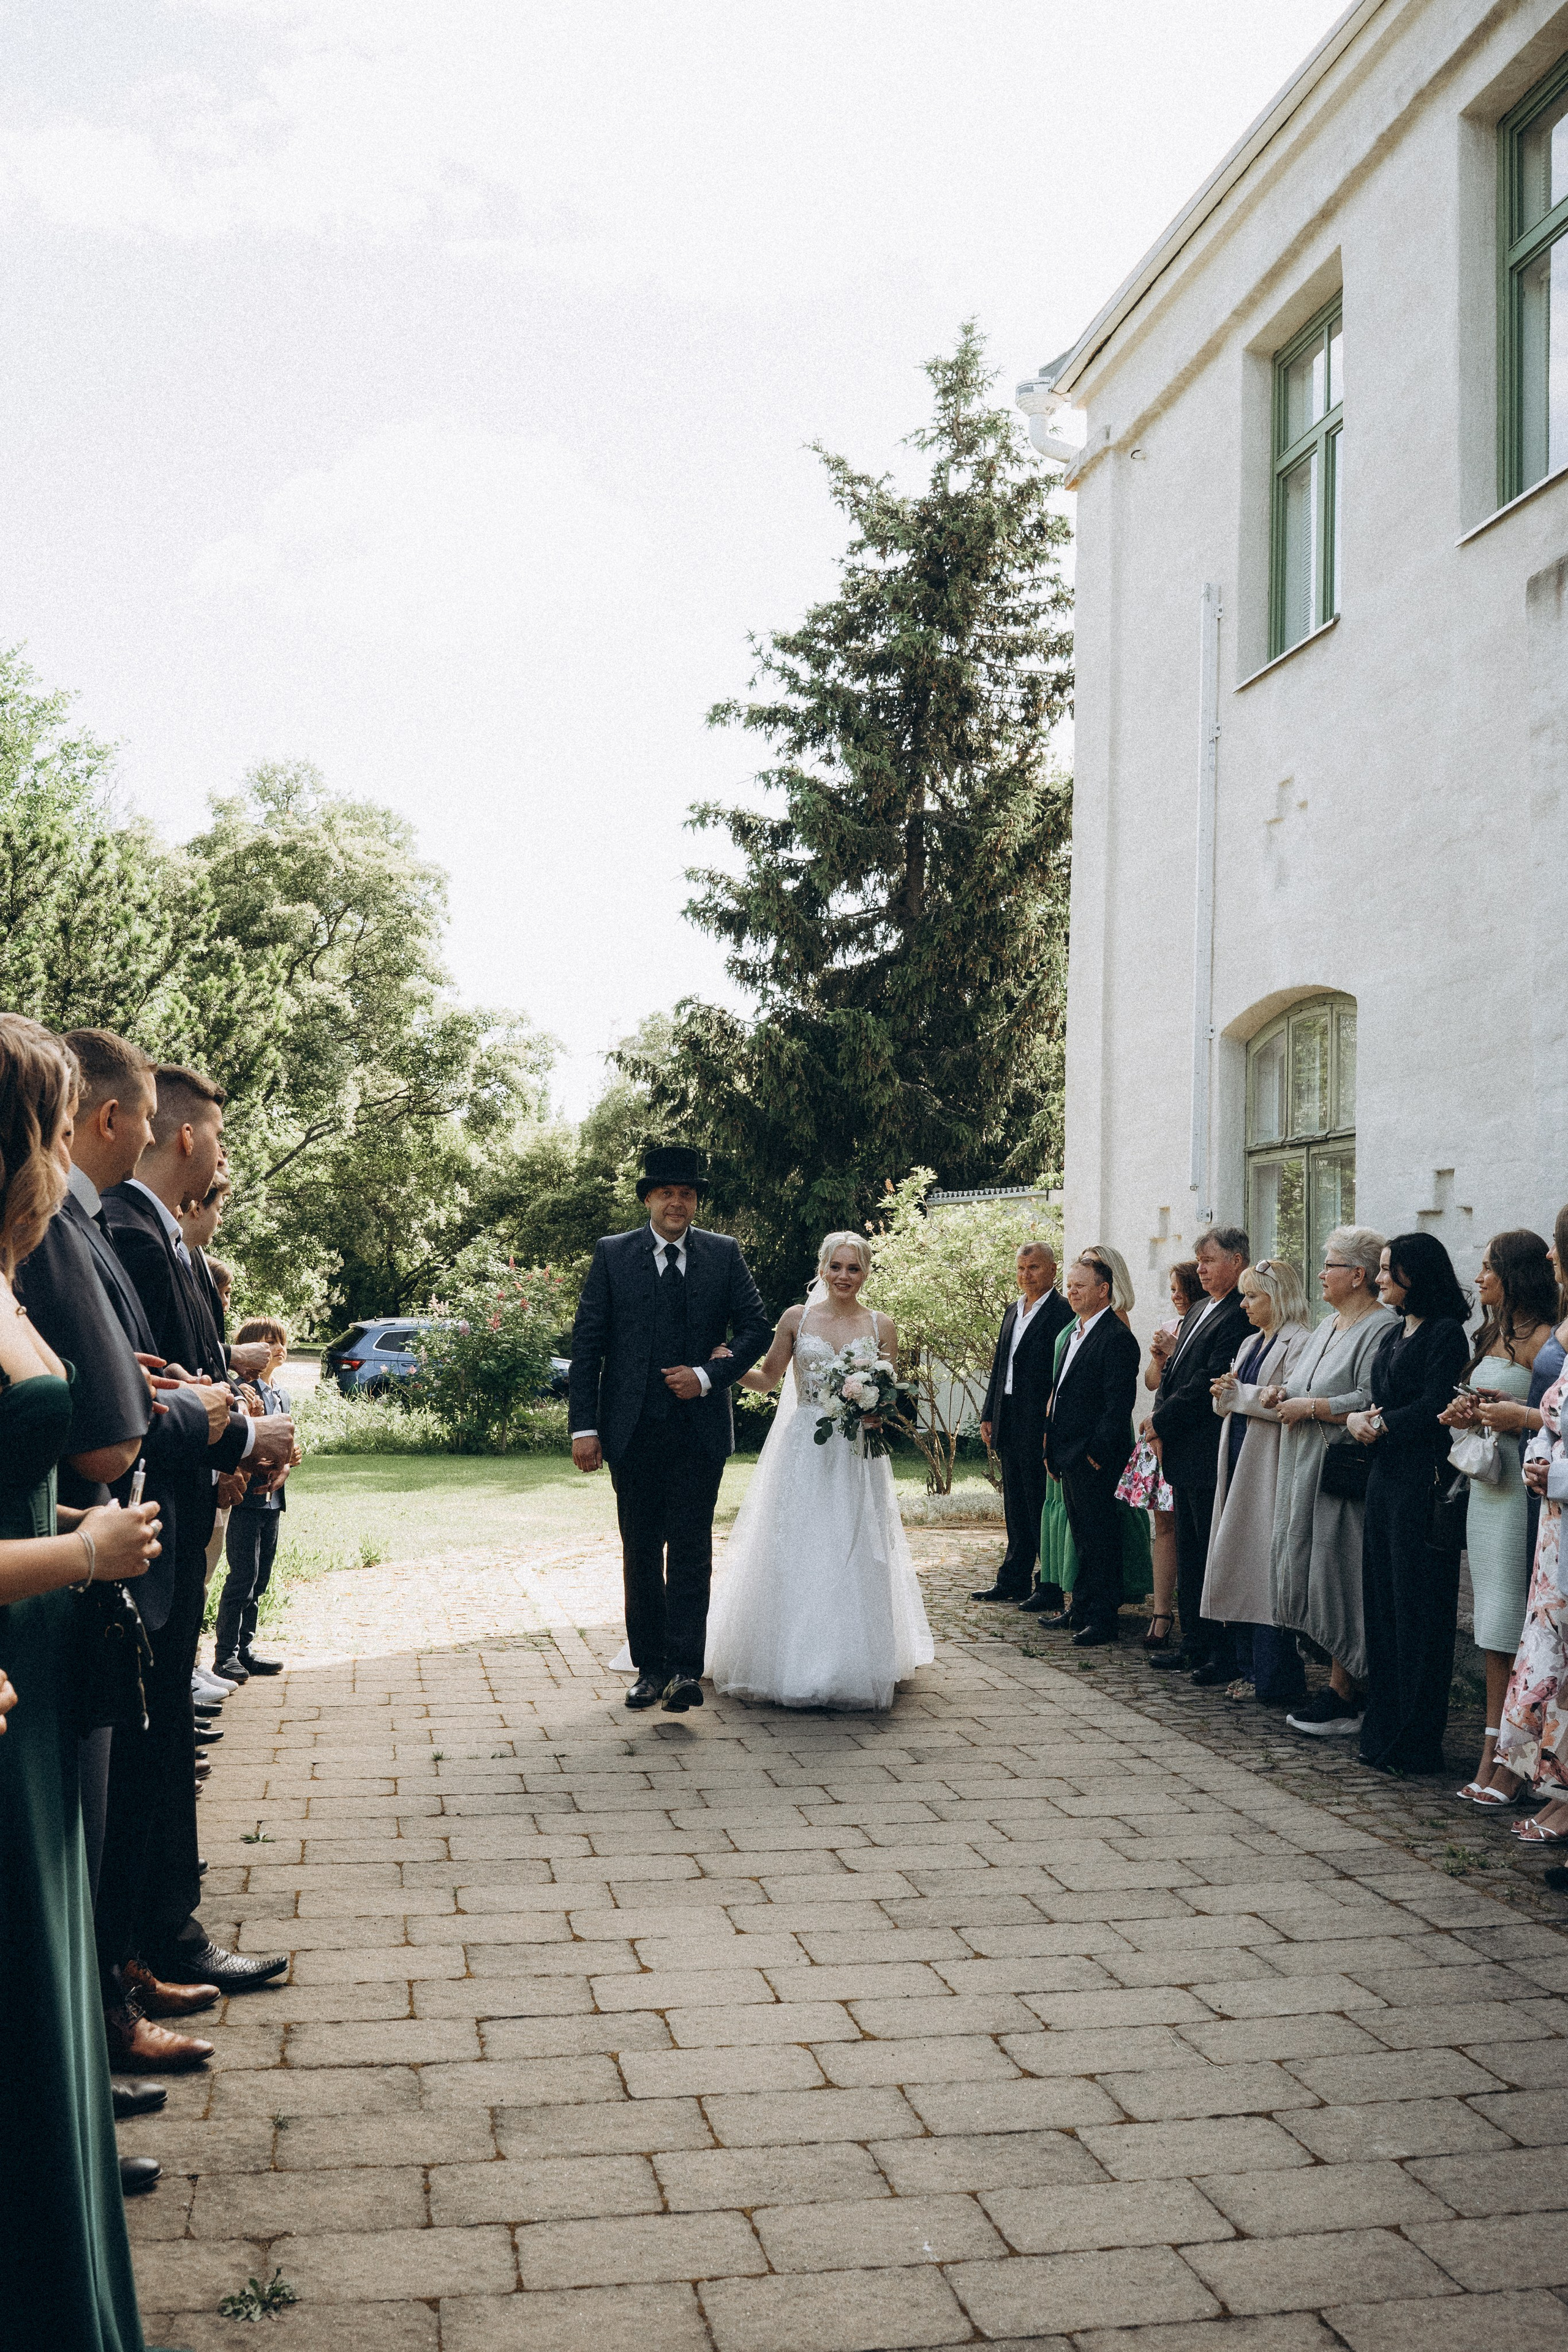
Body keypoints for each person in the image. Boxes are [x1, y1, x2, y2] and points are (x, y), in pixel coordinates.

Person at [0, 1013, 168, 2346]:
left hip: (43, 1684)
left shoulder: (10, 1273)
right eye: (53, 1128)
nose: (66, 1156)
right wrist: (81, 1550)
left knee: (48, 1977)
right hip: (11, 1671)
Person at [103, 1061, 293, 1994]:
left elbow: (192, 1373)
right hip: (153, 1517)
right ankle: (155, 1937)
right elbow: (155, 1388)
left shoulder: (164, 1238)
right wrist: (241, 1433)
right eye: (216, 1133)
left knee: (167, 1731)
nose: (221, 1149)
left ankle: (164, 1927)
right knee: (151, 1744)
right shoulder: (132, 1235)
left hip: (183, 1502)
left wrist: (241, 1446)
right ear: (185, 1137)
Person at [568, 1145, 771, 1711]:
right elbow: (587, 1348)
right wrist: (584, 1427)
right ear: (648, 1200)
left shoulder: (723, 1255)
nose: (677, 1203)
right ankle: (649, 1670)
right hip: (631, 1432)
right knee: (640, 1551)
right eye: (666, 1193)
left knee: (690, 1550)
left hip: (699, 1432)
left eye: (687, 1194)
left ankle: (685, 1670)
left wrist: (710, 1375)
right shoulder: (613, 1255)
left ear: (696, 1202)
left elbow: (757, 1325)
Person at [703, 1232, 935, 1708]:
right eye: (836, 1267)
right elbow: (768, 1379)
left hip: (855, 1454)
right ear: (822, 1268)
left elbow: (893, 1397)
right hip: (804, 1449)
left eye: (853, 1268)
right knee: (800, 1545)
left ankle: (851, 1663)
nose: (844, 1277)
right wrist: (725, 1366)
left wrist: (878, 1411)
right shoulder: (796, 1318)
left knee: (850, 1546)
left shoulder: (880, 1324)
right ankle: (788, 1661)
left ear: (866, 1272)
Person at [1438, 1229, 1557, 1806]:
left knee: (1513, 1625)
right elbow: (1490, 1413)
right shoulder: (1490, 1333)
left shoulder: (1544, 1340)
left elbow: (1552, 1418)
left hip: (1523, 1498)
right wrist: (1465, 1410)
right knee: (1490, 1626)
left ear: (1516, 1275)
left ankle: (1516, 1762)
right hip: (1487, 1493)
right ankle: (1493, 1751)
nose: (1479, 1276)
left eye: (1489, 1268)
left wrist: (1516, 1416)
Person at [1349, 1234, 1472, 1777]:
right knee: (1381, 1605)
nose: (1379, 1279)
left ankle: (1417, 1737)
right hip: (1384, 1481)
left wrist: (1380, 1423)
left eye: (1386, 1270)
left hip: (1419, 1486)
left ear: (1414, 1274)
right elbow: (1384, 1397)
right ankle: (1384, 1725)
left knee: (1417, 1611)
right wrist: (1363, 1419)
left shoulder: (1445, 1335)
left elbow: (1437, 1405)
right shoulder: (1398, 1331)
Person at [1268, 1227, 1395, 1738]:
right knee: (1306, 1563)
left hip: (1342, 1471)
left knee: (1338, 1570)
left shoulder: (1381, 1328)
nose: (1320, 1273)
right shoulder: (1327, 1326)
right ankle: (1335, 1678)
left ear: (1358, 1275)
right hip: (1302, 1465)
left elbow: (1371, 1395)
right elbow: (1302, 1384)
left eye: (1330, 1265)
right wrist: (1283, 1392)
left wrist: (1314, 1407)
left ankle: (1347, 1691)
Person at [1201, 1258, 1312, 1701]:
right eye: (1245, 1296)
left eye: (1254, 1297)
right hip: (1238, 1454)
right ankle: (1248, 1664)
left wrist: (1236, 1395)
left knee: (1263, 1565)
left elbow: (1291, 1400)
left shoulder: (1301, 1341)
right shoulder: (1250, 1343)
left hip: (1270, 1461)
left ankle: (1272, 1674)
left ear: (1279, 1298)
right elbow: (1231, 1401)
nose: (1244, 1305)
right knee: (1237, 1556)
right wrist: (1222, 1395)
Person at [1145, 1226, 1253, 1673]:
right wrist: (1159, 1424)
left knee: (1211, 1551)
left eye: (1210, 1261)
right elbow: (1173, 1376)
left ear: (1237, 1262)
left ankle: (1219, 1650)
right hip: (1182, 1451)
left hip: (1210, 1450)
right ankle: (1194, 1640)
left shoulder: (1239, 1315)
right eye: (1200, 1261)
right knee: (1189, 1550)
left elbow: (1206, 1381)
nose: (1201, 1270)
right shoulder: (1200, 1309)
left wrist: (1162, 1420)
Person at [1038, 1243, 1152, 1626]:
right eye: (1069, 1286)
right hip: (1067, 1453)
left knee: (1101, 1538)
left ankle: (1101, 1617)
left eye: (1080, 1287)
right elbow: (1062, 1394)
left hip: (1094, 1456)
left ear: (1104, 1290)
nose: (1071, 1293)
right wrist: (1053, 1449)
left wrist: (1094, 1454)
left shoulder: (1117, 1336)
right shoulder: (1075, 1333)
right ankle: (1080, 1608)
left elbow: (1116, 1406)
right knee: (1082, 1537)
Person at [971, 1242, 1071, 1610]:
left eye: (1034, 1268)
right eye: (1021, 1268)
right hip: (1008, 1415)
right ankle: (1012, 1578)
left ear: (1052, 1270)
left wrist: (1051, 1421)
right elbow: (1001, 1365)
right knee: (1014, 1501)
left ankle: (1047, 1584)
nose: (1026, 1275)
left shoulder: (1062, 1312)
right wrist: (989, 1413)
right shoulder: (1014, 1309)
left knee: (1038, 1501)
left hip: (1039, 1419)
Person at [213, 1318, 295, 1681]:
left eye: (282, 1341)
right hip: (246, 1498)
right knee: (243, 1576)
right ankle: (225, 1654)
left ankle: (246, 1648)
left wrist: (286, 1466)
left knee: (261, 1578)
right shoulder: (241, 1390)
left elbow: (285, 1446)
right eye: (268, 1341)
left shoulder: (283, 1394)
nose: (278, 1348)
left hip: (272, 1499)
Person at [1140, 1261, 1202, 1654]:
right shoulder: (1170, 1324)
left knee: (1192, 1528)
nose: (1176, 1296)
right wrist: (1161, 1357)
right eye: (1172, 1288)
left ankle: (1195, 1616)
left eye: (1181, 1288)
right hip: (1158, 1433)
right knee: (1163, 1524)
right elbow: (1151, 1381)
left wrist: (1178, 1351)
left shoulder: (1202, 1328)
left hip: (1185, 1436)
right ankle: (1162, 1612)